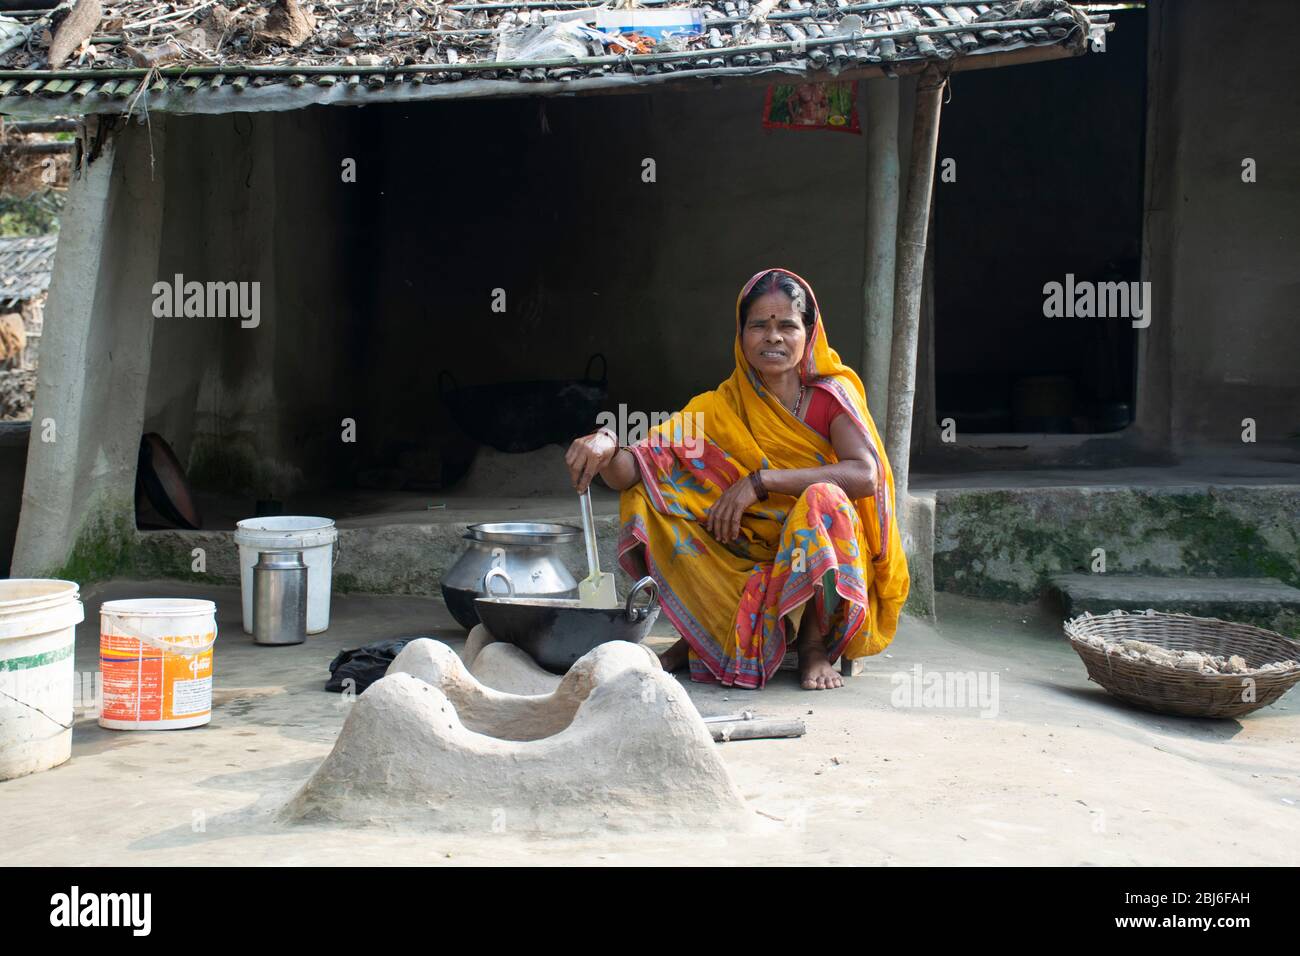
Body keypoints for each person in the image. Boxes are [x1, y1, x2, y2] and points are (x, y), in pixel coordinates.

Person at [565, 268, 908, 690]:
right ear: (741, 334)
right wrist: (606, 442)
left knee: (825, 498)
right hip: (745, 542)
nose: (773, 337)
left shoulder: (830, 397)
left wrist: (760, 482)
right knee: (650, 492)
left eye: (787, 325)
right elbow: (633, 470)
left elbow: (864, 475)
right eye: (758, 325)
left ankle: (813, 643)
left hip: (818, 539)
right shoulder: (720, 406)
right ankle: (700, 638)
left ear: (810, 332)